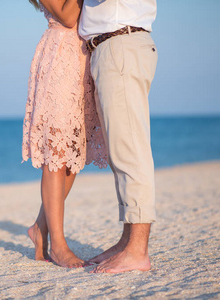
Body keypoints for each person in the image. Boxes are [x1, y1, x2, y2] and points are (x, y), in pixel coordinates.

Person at [23, 0, 108, 268]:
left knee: (74, 157)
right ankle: (58, 246)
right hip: (59, 58)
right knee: (57, 155)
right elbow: (69, 15)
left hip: (84, 58)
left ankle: (40, 227)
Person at [79, 0, 158, 273]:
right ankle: (128, 242)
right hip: (116, 45)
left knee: (130, 151)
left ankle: (137, 250)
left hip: (120, 44)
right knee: (121, 152)